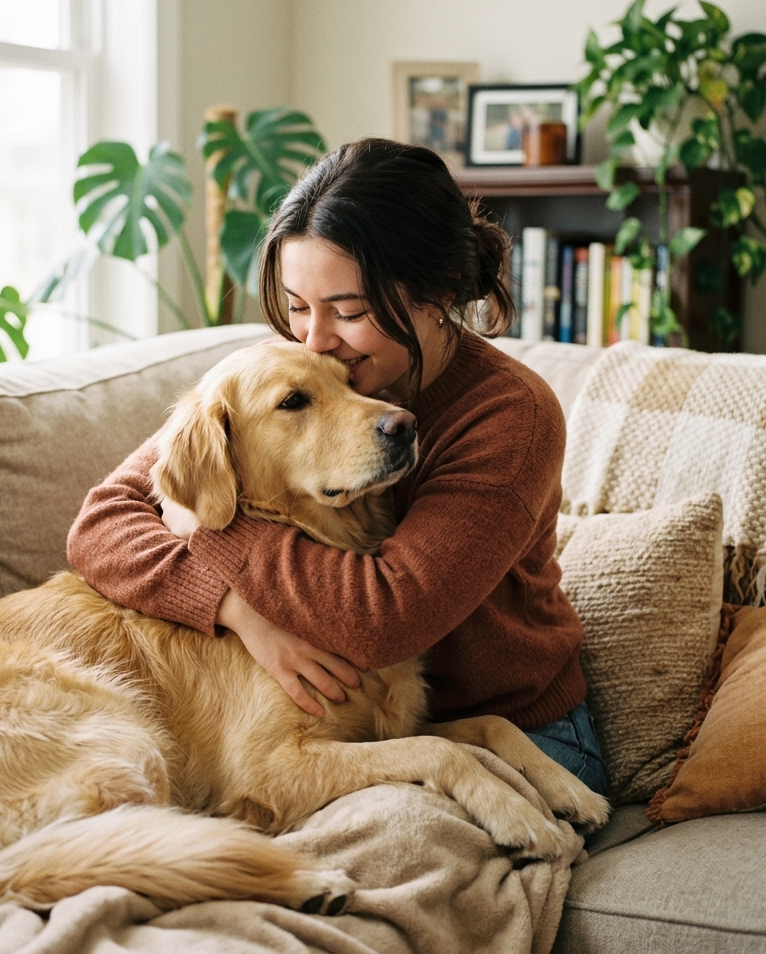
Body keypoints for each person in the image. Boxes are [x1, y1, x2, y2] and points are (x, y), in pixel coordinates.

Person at [67, 137, 608, 797]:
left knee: (393, 851)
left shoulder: (510, 416)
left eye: (348, 310)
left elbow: (386, 617)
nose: (314, 338)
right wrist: (235, 610)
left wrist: (208, 524)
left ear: (437, 295)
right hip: (362, 727)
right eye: (298, 306)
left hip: (515, 731)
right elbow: (103, 521)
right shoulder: (297, 370)